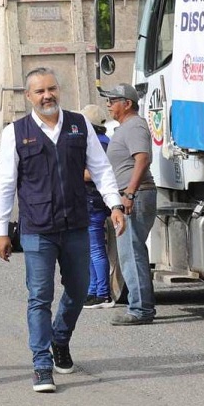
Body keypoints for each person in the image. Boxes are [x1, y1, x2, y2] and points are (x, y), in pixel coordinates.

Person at [0, 67, 127, 393]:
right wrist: (0, 229)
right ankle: (41, 364)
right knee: (39, 296)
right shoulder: (15, 132)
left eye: (51, 89)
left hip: (75, 225)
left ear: (59, 90)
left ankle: (60, 338)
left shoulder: (79, 126)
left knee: (80, 290)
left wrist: (115, 204)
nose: (46, 95)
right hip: (37, 228)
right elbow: (6, 183)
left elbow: (100, 167)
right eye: (39, 91)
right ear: (29, 96)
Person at [100, 83, 158, 326]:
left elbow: (143, 158)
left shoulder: (134, 125)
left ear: (127, 104)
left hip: (136, 195)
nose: (109, 104)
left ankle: (140, 309)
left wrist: (130, 194)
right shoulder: (124, 128)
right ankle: (141, 305)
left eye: (113, 100)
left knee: (130, 253)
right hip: (130, 194)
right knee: (132, 252)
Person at [78, 104, 114, 309]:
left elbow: (96, 173)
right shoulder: (104, 141)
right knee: (90, 249)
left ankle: (102, 293)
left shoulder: (98, 144)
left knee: (95, 249)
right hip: (91, 200)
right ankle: (92, 290)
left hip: (93, 200)